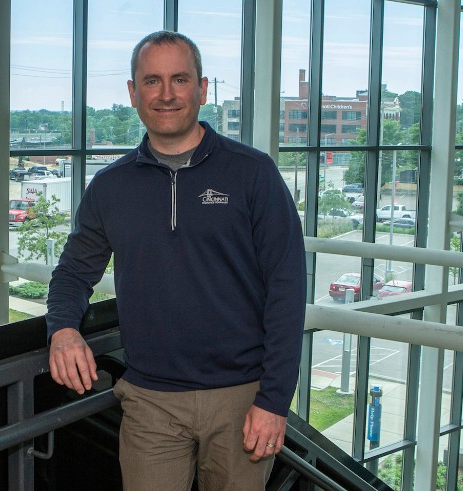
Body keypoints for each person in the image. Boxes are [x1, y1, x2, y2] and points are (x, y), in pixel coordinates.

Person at [45, 31, 307, 490]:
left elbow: (286, 291)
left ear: (202, 89)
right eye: (152, 81)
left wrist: (274, 401)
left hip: (242, 401)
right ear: (133, 92)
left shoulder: (253, 173)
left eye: (180, 79)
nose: (166, 94)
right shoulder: (110, 186)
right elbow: (72, 272)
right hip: (150, 402)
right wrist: (63, 329)